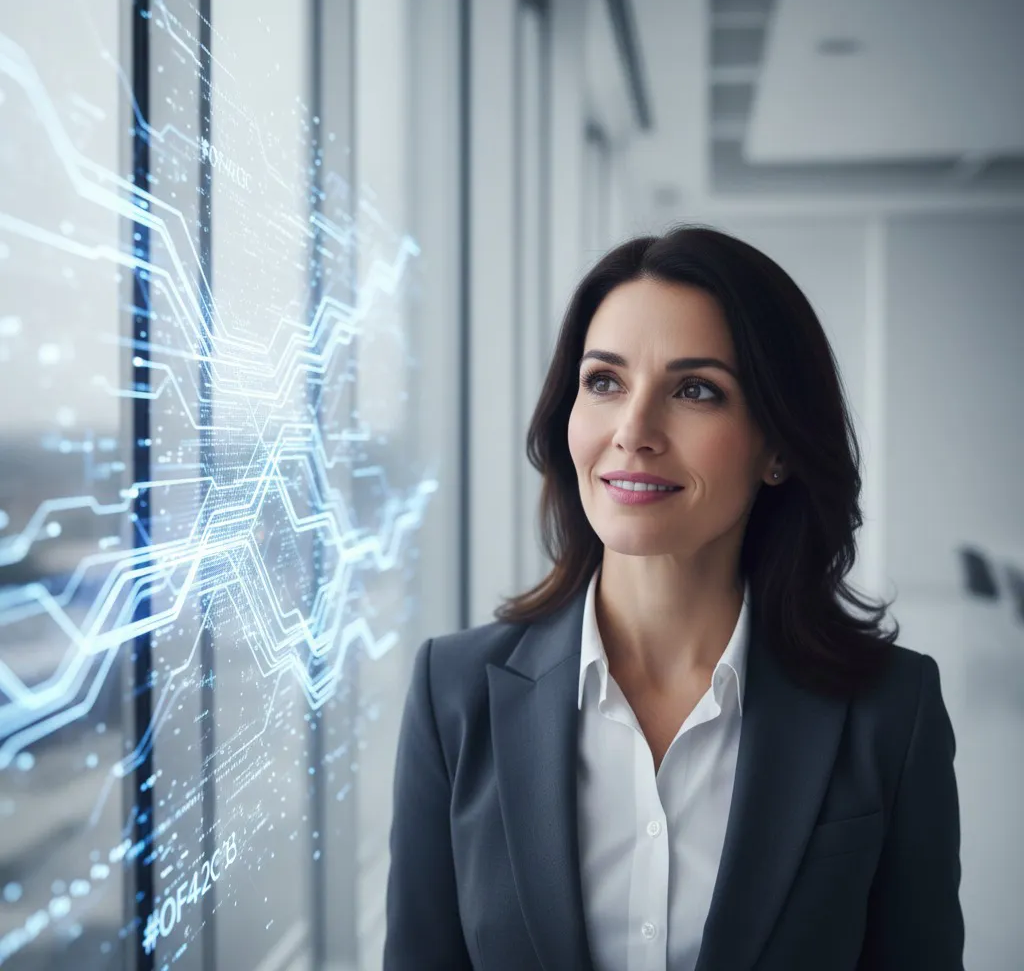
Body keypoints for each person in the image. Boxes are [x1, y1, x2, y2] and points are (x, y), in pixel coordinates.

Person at [383, 226, 964, 971]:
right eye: (604, 381)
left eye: (696, 390)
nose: (633, 431)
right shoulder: (452, 695)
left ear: (779, 447)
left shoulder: (891, 709)